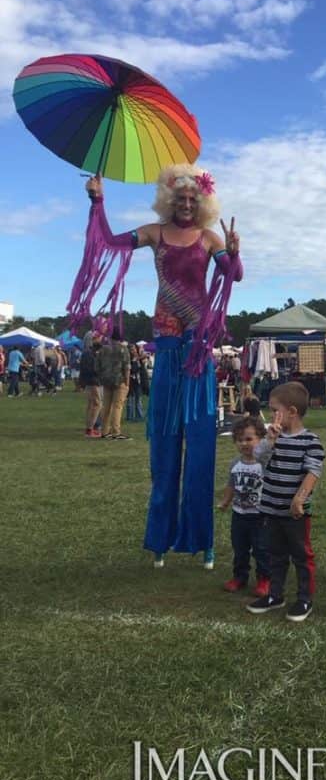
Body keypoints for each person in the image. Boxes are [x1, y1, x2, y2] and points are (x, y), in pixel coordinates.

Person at [79, 164, 242, 569]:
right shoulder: (154, 233)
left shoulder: (209, 238)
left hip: (199, 353)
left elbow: (232, 275)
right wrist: (98, 201)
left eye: (193, 198)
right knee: (165, 449)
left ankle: (202, 540)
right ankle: (159, 540)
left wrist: (235, 253)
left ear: (202, 202)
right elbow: (110, 243)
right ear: (170, 199)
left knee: (201, 450)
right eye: (180, 197)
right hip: (168, 350)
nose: (186, 203)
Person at [246, 382, 324, 622]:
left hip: (295, 514)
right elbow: (257, 458)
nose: (271, 415)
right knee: (275, 554)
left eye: (274, 409)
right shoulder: (273, 437)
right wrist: (269, 441)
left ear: (291, 411)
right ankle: (275, 594)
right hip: (270, 508)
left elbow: (313, 472)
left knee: (301, 555)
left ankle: (304, 599)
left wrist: (299, 499)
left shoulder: (311, 441)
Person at [218, 416, 271, 595]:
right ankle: (240, 576)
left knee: (261, 548)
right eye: (240, 440)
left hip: (259, 515)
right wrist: (225, 501)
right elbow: (231, 484)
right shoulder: (235, 463)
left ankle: (264, 579)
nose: (244, 444)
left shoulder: (263, 463)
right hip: (239, 514)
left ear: (260, 440)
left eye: (249, 439)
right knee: (239, 547)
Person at [97, 328, 131, 439]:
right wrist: (127, 382)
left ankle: (104, 431)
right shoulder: (123, 349)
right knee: (117, 406)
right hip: (119, 380)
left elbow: (97, 366)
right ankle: (116, 432)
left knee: (106, 406)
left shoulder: (103, 349)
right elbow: (126, 367)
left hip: (106, 380)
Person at [79, 333, 103, 437]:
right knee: (97, 404)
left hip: (90, 381)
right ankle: (90, 429)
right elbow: (91, 368)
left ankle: (90, 428)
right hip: (93, 381)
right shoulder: (89, 353)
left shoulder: (87, 352)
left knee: (91, 405)